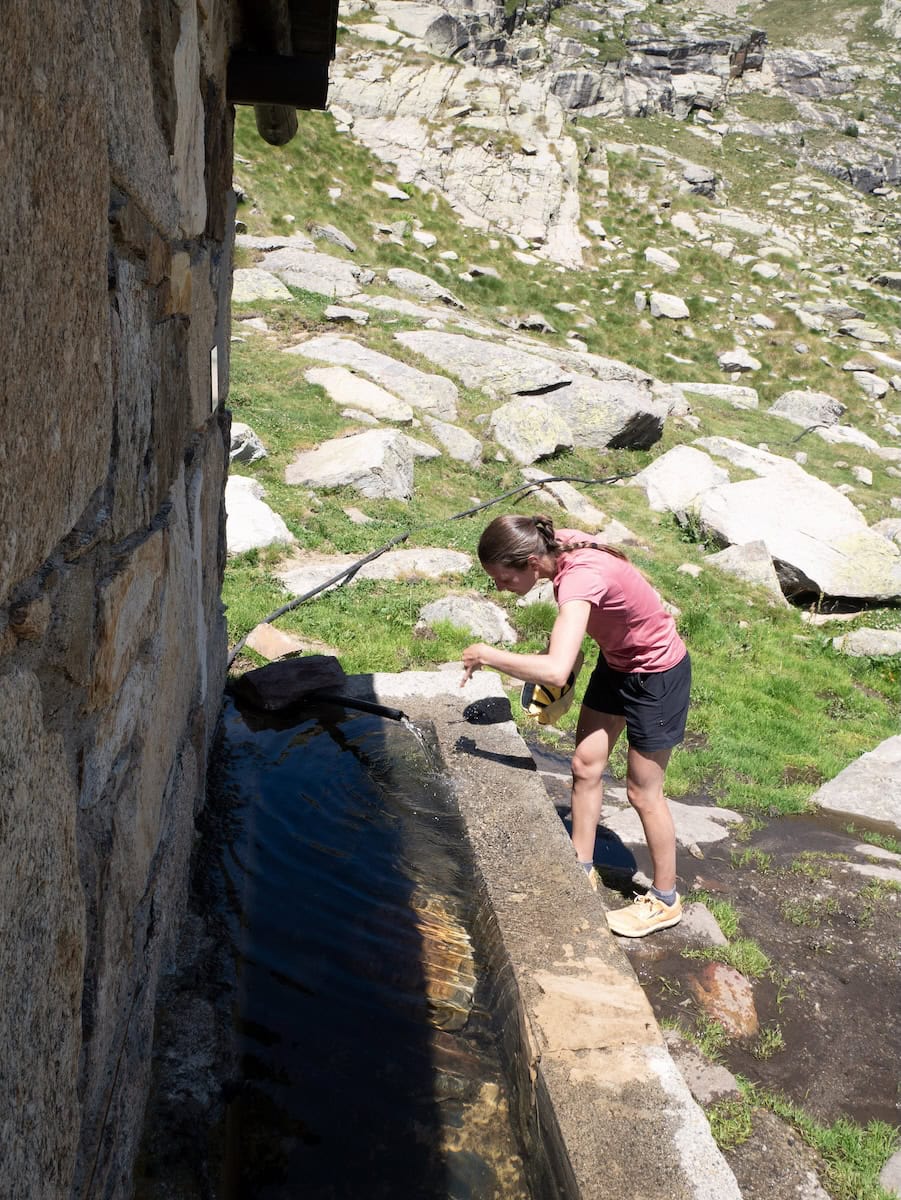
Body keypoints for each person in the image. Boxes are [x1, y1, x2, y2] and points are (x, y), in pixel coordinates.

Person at [460, 514, 691, 938]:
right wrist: (563, 669)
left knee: (643, 792)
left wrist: (488, 655)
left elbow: (555, 667)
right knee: (585, 765)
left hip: (657, 675)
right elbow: (575, 635)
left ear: (531, 563)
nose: (499, 587)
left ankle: (665, 900)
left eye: (502, 578)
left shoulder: (579, 577)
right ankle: (580, 865)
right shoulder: (554, 545)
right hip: (618, 661)